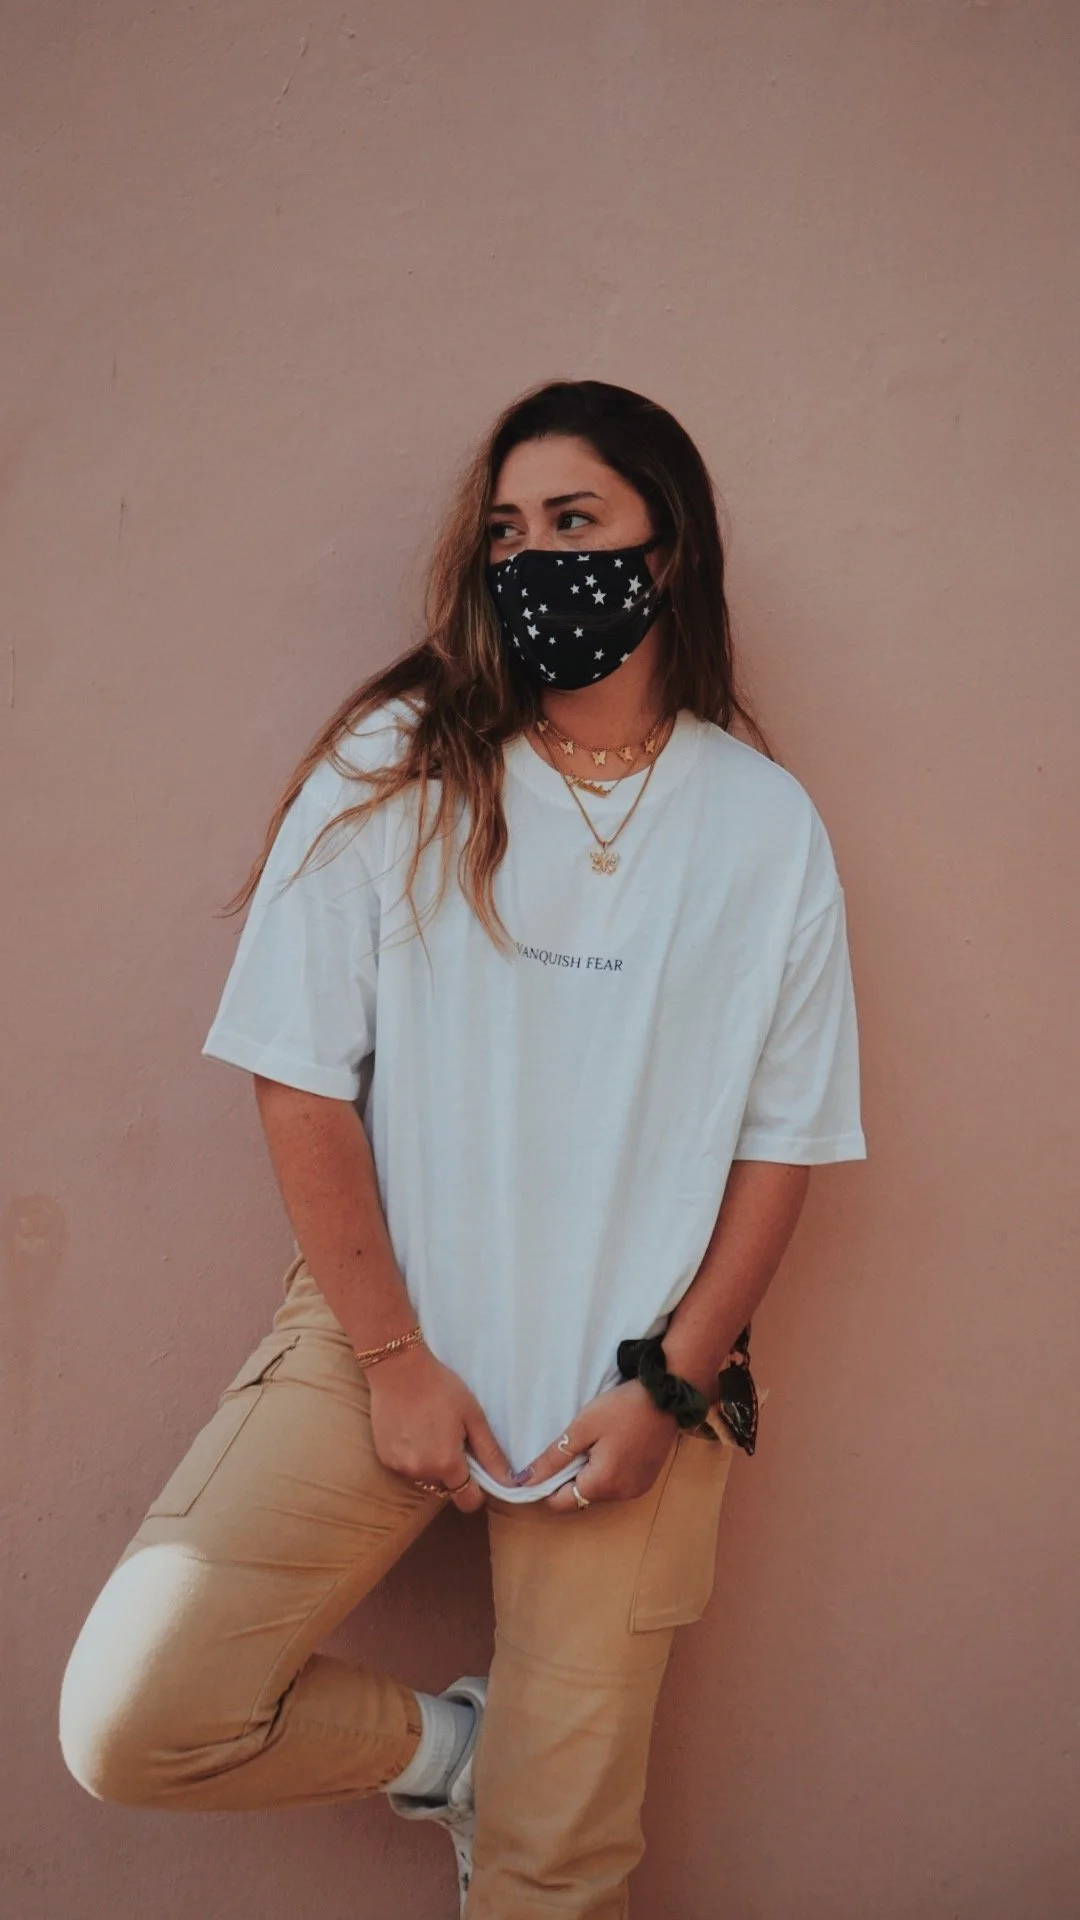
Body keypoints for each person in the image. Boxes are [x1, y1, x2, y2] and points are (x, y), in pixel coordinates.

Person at [58, 379, 868, 1918]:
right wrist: (391, 1358)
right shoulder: (399, 764)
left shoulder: (765, 829)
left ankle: (529, 1797)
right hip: (383, 1341)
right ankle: (459, 1757)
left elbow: (785, 1146)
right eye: (506, 532)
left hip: (624, 1395)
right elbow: (299, 1082)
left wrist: (671, 1386)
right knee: (141, 1716)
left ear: (669, 550)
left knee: (558, 1877)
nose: (533, 560)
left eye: (575, 521)